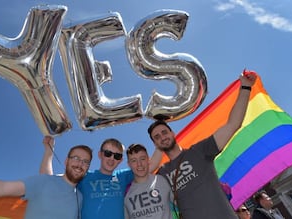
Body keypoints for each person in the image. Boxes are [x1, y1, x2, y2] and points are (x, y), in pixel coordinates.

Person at [147, 72, 257, 219]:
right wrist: (158, 151)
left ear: (173, 133)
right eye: (157, 137)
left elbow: (232, 125)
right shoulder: (162, 174)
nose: (162, 137)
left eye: (164, 132)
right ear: (155, 144)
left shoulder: (200, 151)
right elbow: (141, 177)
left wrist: (245, 88)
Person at [41, 137, 163, 219]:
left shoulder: (123, 176)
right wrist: (48, 151)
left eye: (117, 156)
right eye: (108, 153)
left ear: (120, 160)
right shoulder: (84, 175)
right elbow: (47, 181)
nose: (111, 159)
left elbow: (150, 166)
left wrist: (159, 143)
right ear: (100, 155)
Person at [124, 143, 174, 219]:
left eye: (142, 159)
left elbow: (181, 204)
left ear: (148, 159)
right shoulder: (126, 194)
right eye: (134, 161)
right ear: (129, 164)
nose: (139, 164)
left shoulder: (162, 180)